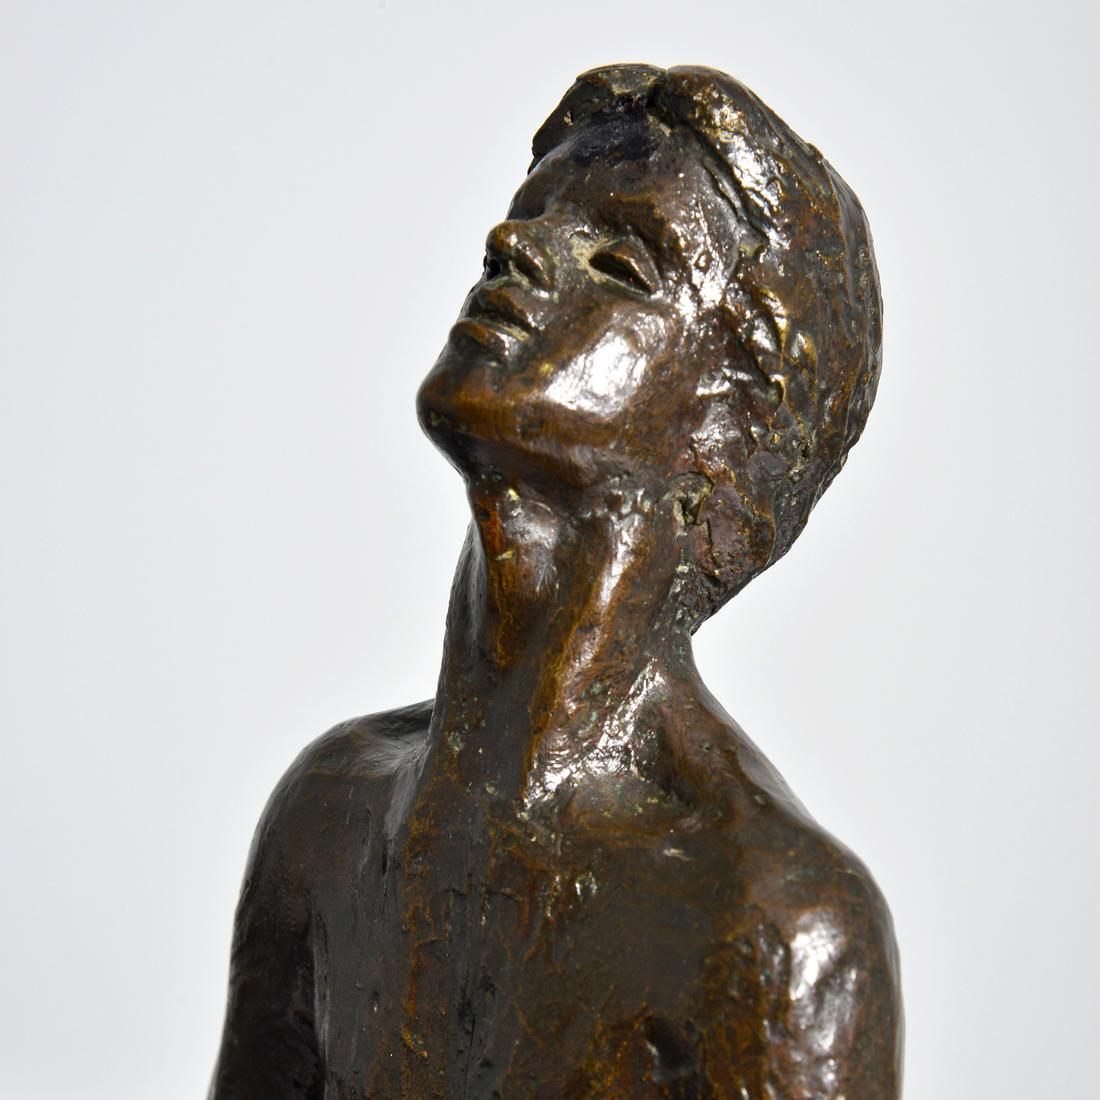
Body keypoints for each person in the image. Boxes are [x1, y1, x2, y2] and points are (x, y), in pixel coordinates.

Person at [210, 64, 902, 1099]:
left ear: (724, 420)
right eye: (530, 216)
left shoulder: (766, 924)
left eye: (618, 259)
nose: (518, 244)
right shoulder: (328, 819)